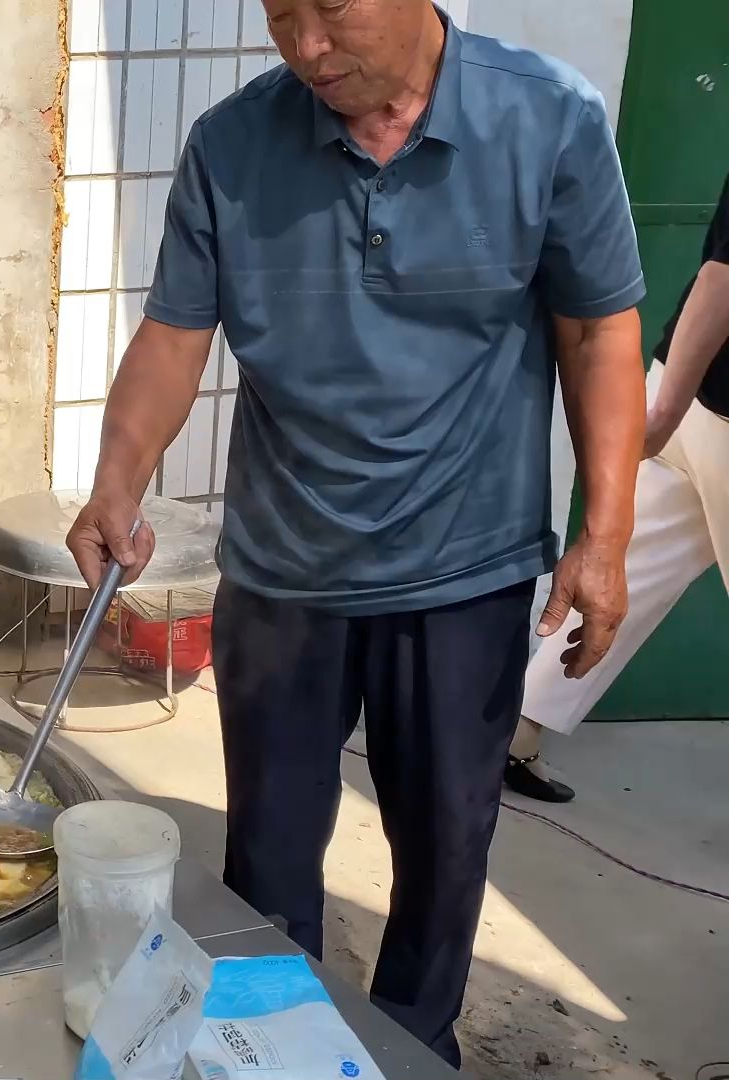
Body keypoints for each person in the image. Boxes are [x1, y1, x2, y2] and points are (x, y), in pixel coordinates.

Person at [66, 1, 643, 1065]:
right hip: (286, 571)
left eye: (333, 12)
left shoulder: (549, 119)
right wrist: (117, 483)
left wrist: (603, 535)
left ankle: (418, 1046)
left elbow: (599, 330)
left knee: (445, 846)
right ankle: (269, 1048)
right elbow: (173, 336)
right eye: (283, 16)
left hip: (466, 569)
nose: (307, 49)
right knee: (270, 851)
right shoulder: (233, 146)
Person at [513, 168, 729, 802]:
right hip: (704, 407)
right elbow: (724, 275)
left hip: (684, 392)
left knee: (625, 577)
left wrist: (668, 403)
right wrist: (664, 411)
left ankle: (514, 735)